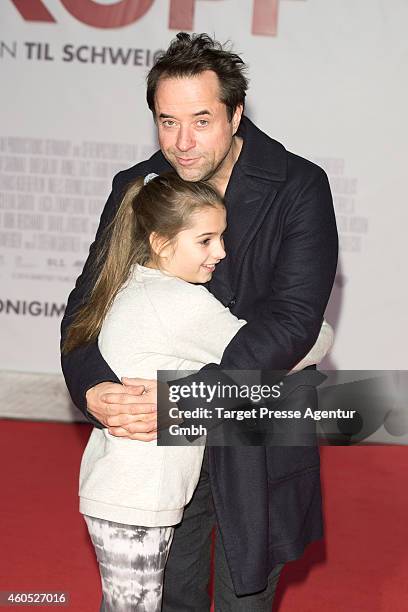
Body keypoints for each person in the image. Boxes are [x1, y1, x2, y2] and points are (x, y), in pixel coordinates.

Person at [61, 33, 338, 611]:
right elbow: (88, 306)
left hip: (252, 422)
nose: (182, 143)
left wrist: (185, 400)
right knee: (171, 600)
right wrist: (94, 387)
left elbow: (293, 322)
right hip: (156, 448)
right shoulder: (138, 188)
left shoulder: (299, 186)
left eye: (201, 120)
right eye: (167, 122)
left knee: (246, 601)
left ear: (236, 115)